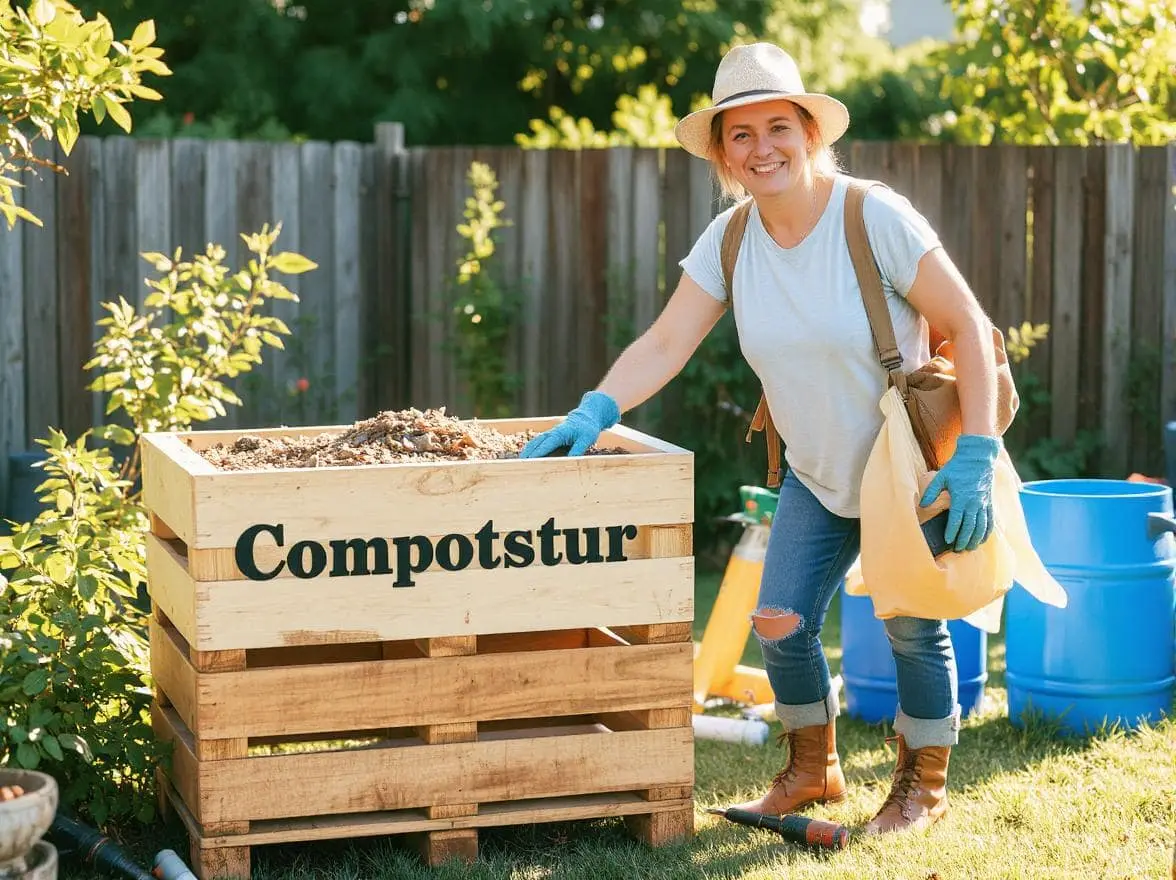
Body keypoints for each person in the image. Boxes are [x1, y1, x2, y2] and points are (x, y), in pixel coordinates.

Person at [520, 42, 1001, 834]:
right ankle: (813, 771)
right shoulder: (731, 240)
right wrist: (596, 406)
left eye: (778, 125)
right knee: (778, 619)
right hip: (815, 471)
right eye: (739, 135)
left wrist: (977, 452)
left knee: (911, 625)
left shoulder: (870, 215)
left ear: (810, 132)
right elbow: (667, 342)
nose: (761, 147)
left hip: (904, 469)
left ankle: (923, 788)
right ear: (721, 153)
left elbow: (970, 329)